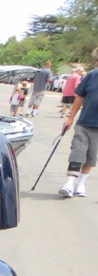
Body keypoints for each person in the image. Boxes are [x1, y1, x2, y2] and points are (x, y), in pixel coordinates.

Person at [58, 50, 98, 198]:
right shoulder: (91, 76)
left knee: (91, 156)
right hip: (84, 122)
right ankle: (69, 184)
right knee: (78, 150)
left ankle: (80, 184)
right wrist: (70, 119)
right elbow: (79, 98)